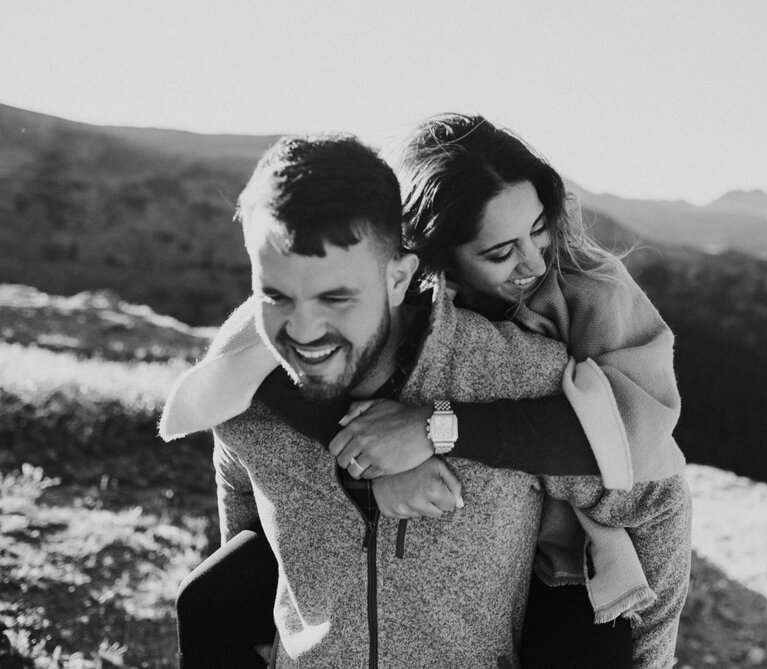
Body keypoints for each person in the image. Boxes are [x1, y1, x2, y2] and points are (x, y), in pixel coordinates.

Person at [160, 128, 690, 668]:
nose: (532, 262)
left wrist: (434, 428)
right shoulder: (260, 377)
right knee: (206, 600)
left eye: (537, 231)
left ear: (400, 276)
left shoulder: (575, 308)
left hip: (569, 563)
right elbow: (239, 449)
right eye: (501, 251)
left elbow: (646, 474)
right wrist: (365, 460)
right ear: (432, 256)